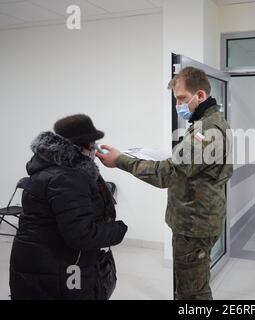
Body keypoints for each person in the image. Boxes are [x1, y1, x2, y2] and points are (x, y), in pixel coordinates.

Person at [97, 67, 233, 300]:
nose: (178, 105)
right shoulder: (210, 122)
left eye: (181, 98)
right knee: (190, 285)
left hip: (195, 224)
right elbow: (190, 167)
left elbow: (166, 174)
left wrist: (120, 160)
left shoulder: (207, 130)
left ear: (200, 95)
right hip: (199, 218)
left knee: (193, 293)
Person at [9, 114, 128, 300]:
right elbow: (82, 236)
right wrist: (118, 230)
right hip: (56, 270)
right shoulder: (67, 178)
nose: (95, 149)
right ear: (85, 145)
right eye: (94, 143)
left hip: (39, 264)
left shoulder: (50, 169)